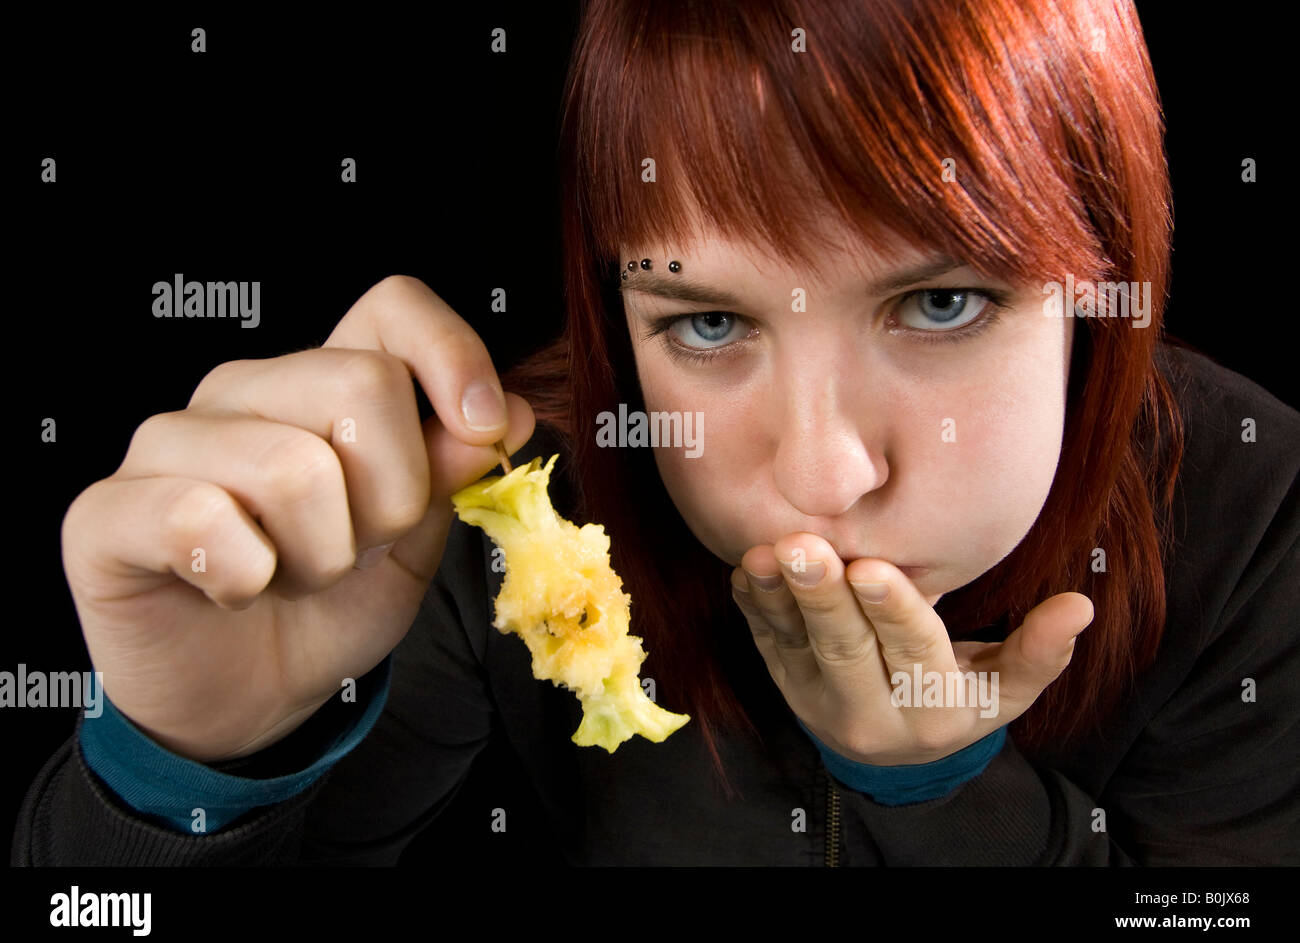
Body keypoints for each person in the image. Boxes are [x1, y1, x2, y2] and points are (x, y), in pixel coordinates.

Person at [12, 0, 1298, 866]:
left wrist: (947, 796)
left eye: (940, 301)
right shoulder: (482, 515)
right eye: (708, 326)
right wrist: (186, 769)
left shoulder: (1258, 506)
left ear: (1102, 280)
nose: (822, 473)